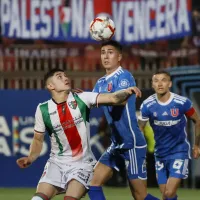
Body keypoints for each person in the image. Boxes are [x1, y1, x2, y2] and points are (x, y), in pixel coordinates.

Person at [16, 68, 141, 200]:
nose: (65, 78)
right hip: (56, 163)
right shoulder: (42, 109)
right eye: (59, 77)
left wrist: (126, 91)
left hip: (82, 165)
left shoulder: (83, 98)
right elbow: (37, 140)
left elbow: (113, 98)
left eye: (65, 75)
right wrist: (30, 158)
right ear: (50, 86)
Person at [88, 40, 159, 200]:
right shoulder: (100, 82)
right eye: (103, 52)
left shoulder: (124, 76)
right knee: (93, 183)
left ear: (119, 56)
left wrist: (120, 94)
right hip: (117, 143)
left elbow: (121, 100)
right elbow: (90, 102)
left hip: (131, 142)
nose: (106, 56)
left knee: (140, 196)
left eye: (110, 52)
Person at [138, 71, 200, 200]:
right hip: (160, 153)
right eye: (156, 81)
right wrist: (139, 151)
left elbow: (197, 120)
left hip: (179, 151)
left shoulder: (182, 102)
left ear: (170, 84)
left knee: (169, 192)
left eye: (164, 80)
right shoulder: (147, 105)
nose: (160, 83)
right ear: (152, 84)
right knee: (165, 195)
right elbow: (141, 127)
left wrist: (196, 145)